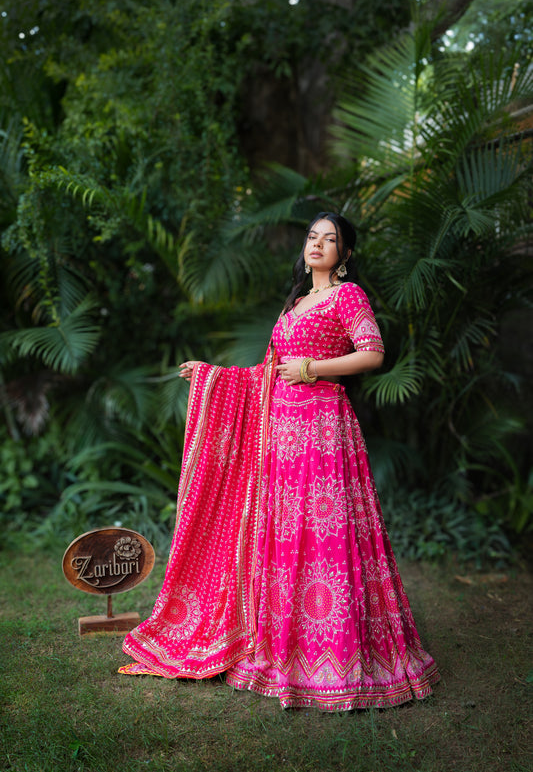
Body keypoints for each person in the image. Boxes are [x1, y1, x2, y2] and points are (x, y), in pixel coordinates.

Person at [119, 212, 440, 710]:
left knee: (325, 537)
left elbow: (372, 354)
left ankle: (333, 658)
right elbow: (266, 374)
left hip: (323, 429)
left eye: (330, 239)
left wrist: (312, 368)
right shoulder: (296, 304)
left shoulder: (347, 296)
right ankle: (280, 649)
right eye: (313, 236)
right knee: (288, 537)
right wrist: (212, 377)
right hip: (281, 437)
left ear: (345, 255)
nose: (318, 244)